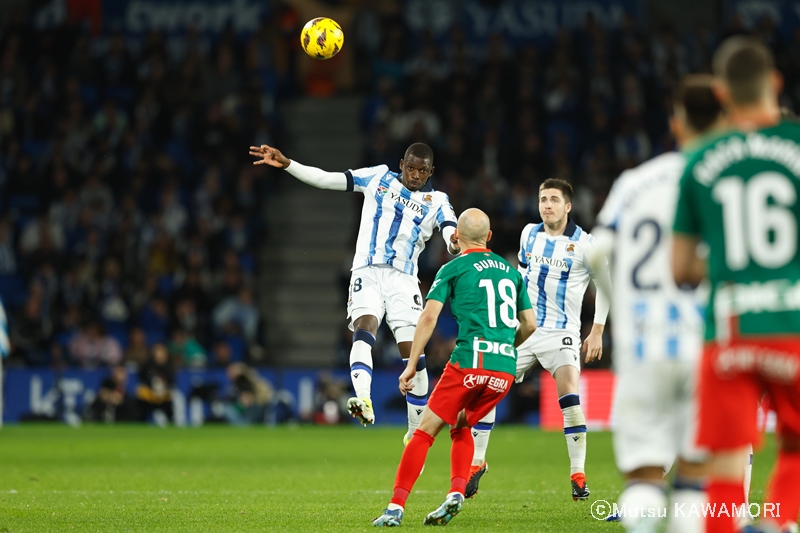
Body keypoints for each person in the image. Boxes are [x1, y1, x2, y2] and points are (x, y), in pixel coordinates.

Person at [672, 36, 800, 533]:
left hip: (729, 331)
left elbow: (681, 268)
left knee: (725, 465)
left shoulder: (701, 160)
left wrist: (728, 264)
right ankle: (779, 519)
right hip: (791, 325)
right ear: (775, 83)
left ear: (722, 93)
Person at [249, 142, 459, 442]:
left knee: (413, 354)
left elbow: (451, 231)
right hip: (367, 270)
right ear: (402, 164)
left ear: (431, 172)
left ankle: (415, 434)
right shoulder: (377, 177)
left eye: (422, 170)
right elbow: (327, 179)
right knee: (364, 327)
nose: (415, 174)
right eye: (411, 167)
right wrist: (288, 164)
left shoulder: (436, 200)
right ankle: (363, 398)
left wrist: (454, 243)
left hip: (403, 280)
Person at [589, 75, 725, 533]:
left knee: (644, 478)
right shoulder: (722, 181)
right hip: (703, 344)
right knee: (692, 479)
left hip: (645, 344)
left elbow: (596, 253)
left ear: (676, 123)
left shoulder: (635, 182)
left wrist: (623, 311)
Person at [371, 208, 536, 527]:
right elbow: (529, 324)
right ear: (489, 236)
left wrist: (411, 365)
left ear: (456, 237)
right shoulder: (510, 271)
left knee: (424, 432)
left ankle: (395, 507)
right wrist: (504, 348)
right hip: (504, 368)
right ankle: (457, 492)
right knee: (461, 425)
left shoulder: (453, 267)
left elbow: (429, 317)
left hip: (469, 361)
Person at [467, 178, 610, 501]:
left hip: (562, 333)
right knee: (487, 387)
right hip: (524, 328)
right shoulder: (529, 234)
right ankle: (477, 462)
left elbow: (606, 286)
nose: (547, 205)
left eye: (554, 200)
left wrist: (597, 330)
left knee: (569, 395)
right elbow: (521, 277)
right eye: (543, 199)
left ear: (568, 206)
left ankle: (578, 474)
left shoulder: (585, 244)